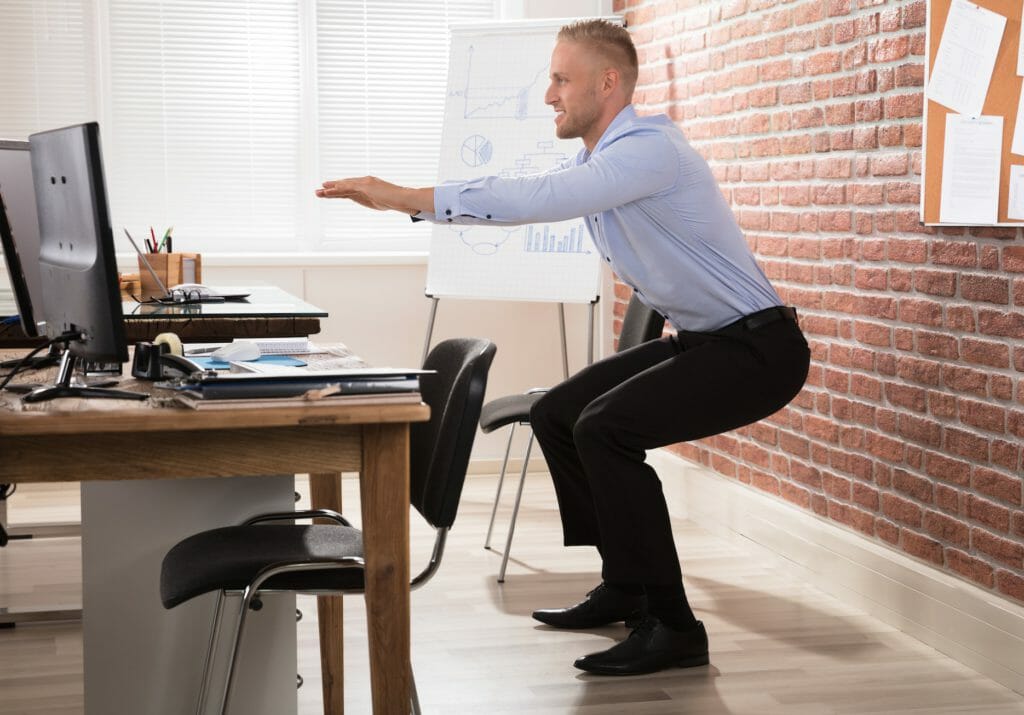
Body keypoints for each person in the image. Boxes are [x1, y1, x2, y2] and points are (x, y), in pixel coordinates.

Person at [315, 19, 810, 676]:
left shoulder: (648, 152)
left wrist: (405, 197)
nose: (548, 95)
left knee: (606, 428)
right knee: (559, 412)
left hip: (760, 350)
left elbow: (537, 198)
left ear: (608, 83)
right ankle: (627, 583)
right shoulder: (605, 161)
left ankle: (673, 623)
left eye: (560, 78)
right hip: (703, 340)